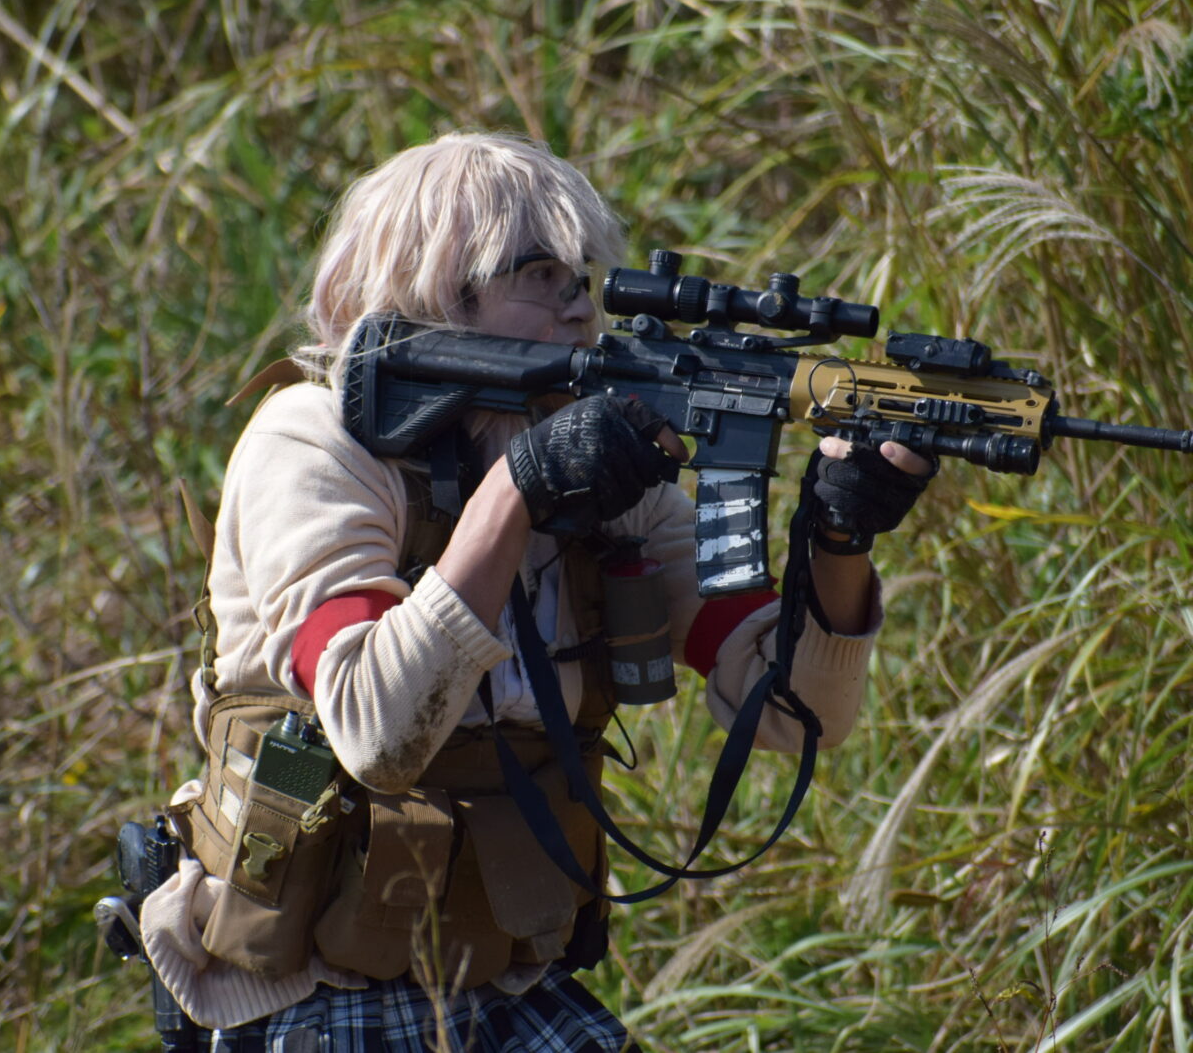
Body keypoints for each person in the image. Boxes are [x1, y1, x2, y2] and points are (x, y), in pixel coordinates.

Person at [134, 132, 935, 1051]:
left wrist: (839, 541)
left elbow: (798, 715)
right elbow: (374, 730)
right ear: (440, 292)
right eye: (539, 274)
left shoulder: (598, 475)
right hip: (312, 990)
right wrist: (517, 490)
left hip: (504, 978)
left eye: (582, 275)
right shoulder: (317, 444)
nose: (580, 304)